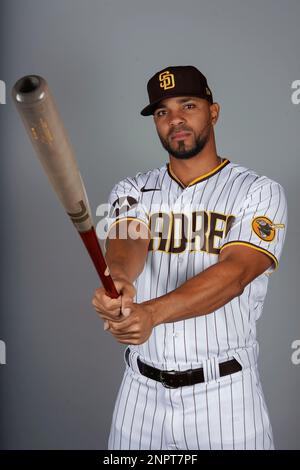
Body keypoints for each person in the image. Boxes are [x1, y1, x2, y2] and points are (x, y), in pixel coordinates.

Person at [92, 65, 288, 450]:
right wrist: (120, 280)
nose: (175, 120)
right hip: (140, 396)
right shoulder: (133, 188)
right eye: (162, 112)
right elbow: (127, 242)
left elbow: (234, 274)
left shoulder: (258, 191)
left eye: (188, 105)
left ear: (213, 112)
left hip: (225, 399)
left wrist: (151, 313)